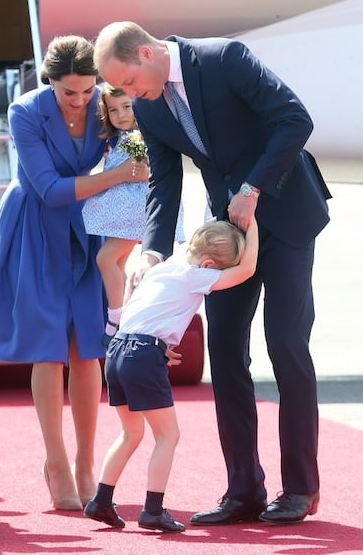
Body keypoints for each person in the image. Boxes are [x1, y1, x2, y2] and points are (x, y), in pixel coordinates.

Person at [93, 21, 332, 525]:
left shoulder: (224, 58)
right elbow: (163, 183)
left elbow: (295, 119)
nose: (131, 97)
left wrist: (252, 188)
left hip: (286, 213)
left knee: (286, 343)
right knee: (224, 351)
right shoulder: (152, 106)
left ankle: (300, 489)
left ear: (146, 53)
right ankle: (243, 489)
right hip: (225, 238)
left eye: (131, 83)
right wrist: (153, 254)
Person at [0, 35, 147, 511]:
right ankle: (55, 462)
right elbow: (51, 190)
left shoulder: (106, 101)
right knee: (49, 346)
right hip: (35, 226)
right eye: (68, 92)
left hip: (88, 226)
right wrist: (119, 176)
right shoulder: (25, 112)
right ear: (49, 81)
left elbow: (139, 144)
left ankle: (84, 463)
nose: (80, 100)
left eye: (86, 90)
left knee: (87, 347)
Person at [84, 217, 259, 532]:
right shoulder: (195, 275)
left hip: (119, 349)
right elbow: (246, 270)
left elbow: (145, 309)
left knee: (130, 434)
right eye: (216, 271)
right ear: (207, 263)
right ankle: (152, 509)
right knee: (168, 435)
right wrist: (253, 222)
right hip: (143, 355)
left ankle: (101, 500)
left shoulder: (160, 268)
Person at [82, 83, 184, 346]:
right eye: (113, 110)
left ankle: (116, 317)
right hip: (130, 210)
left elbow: (145, 170)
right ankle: (123, 312)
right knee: (115, 263)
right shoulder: (124, 138)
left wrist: (138, 170)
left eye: (127, 107)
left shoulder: (136, 138)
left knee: (105, 258)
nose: (121, 115)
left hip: (136, 210)